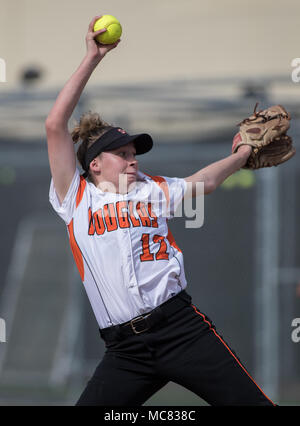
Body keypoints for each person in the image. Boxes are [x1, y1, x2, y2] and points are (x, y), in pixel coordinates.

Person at [45, 15, 276, 406]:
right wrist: (93, 57)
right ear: (95, 164)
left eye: (134, 153)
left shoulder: (152, 190)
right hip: (124, 351)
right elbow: (54, 125)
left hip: (181, 330)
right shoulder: (76, 196)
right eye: (121, 154)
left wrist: (243, 153)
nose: (132, 160)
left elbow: (205, 181)